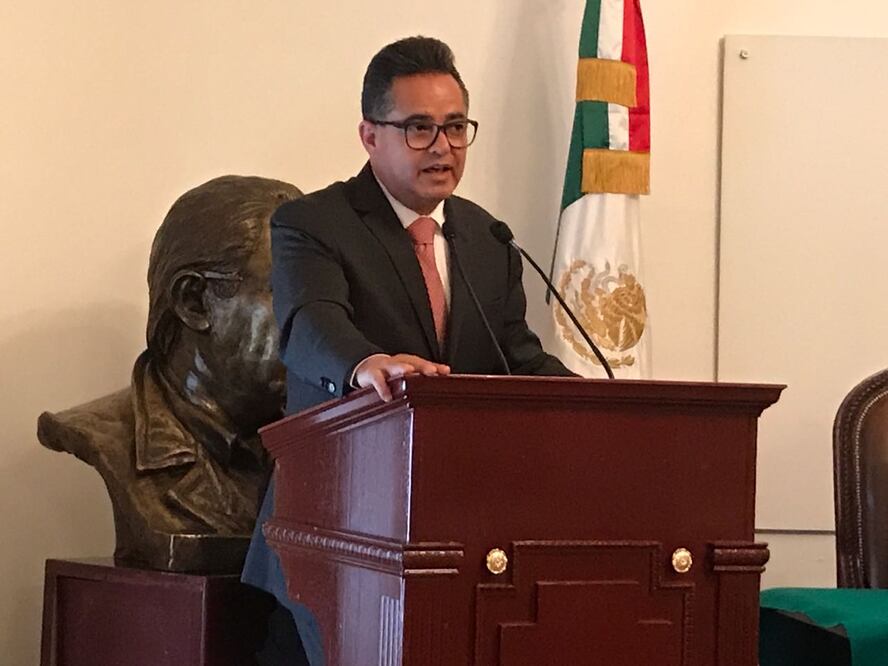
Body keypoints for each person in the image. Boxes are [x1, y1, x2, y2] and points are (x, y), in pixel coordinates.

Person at [243, 36, 574, 665]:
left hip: (457, 536)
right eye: (418, 128)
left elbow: (516, 357)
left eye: (455, 127)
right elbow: (312, 323)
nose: (443, 146)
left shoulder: (486, 236)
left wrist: (595, 402)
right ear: (370, 136)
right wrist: (367, 365)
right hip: (336, 529)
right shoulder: (314, 223)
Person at [38, 175, 302, 573]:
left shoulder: (323, 449)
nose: (315, 323)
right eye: (287, 293)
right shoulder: (104, 438)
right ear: (193, 301)